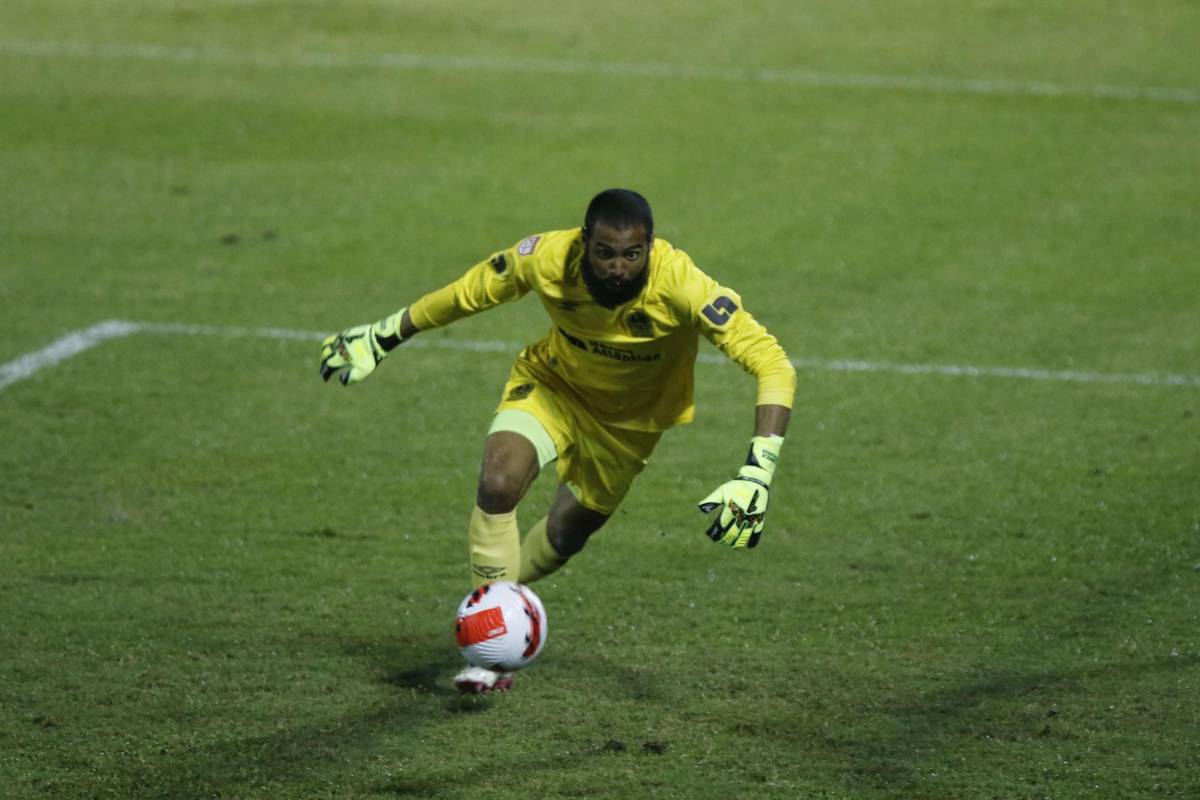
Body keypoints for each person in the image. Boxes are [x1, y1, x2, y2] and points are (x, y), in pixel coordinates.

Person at [319, 189, 796, 693]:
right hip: (553, 388)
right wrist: (385, 334)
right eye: (605, 253)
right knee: (499, 481)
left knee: (566, 537)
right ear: (584, 242)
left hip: (629, 427)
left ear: (650, 248)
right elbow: (470, 292)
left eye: (632, 255)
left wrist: (756, 472)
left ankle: (496, 615)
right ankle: (493, 644)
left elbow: (773, 364)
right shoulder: (547, 257)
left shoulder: (681, 285)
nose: (617, 267)